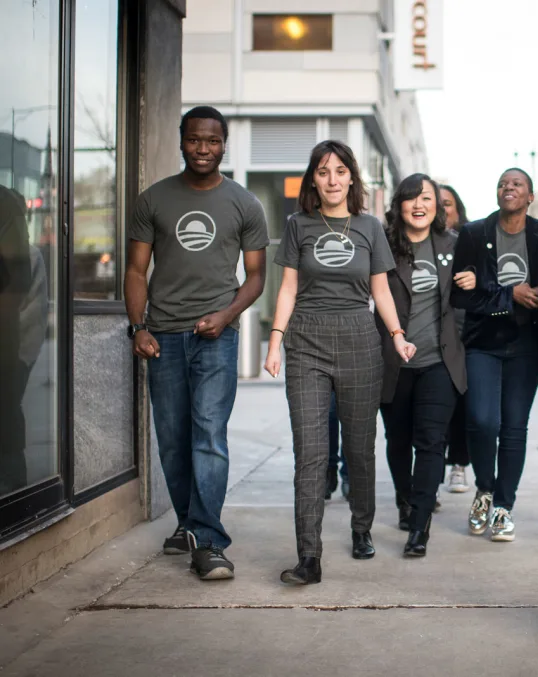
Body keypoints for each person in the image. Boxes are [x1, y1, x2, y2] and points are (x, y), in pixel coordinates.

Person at [126, 106, 269, 580]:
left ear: (224, 143)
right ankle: (188, 521)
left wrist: (227, 316)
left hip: (216, 337)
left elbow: (255, 277)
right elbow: (134, 270)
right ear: (181, 141)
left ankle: (208, 541)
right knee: (172, 440)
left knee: (208, 435)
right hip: (163, 336)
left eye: (211, 141)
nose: (202, 149)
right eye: (194, 140)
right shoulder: (153, 200)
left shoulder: (245, 204)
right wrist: (138, 327)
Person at [264, 140, 414, 584]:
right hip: (306, 340)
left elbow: (381, 291)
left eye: (340, 171)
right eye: (324, 171)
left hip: (359, 340)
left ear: (352, 177)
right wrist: (275, 342)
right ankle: (309, 556)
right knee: (310, 453)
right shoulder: (297, 225)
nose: (332, 179)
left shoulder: (369, 227)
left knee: (359, 447)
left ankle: (361, 526)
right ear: (314, 178)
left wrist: (398, 336)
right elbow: (288, 288)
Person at [450, 168, 538, 543]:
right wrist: (509, 293)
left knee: (513, 428)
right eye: (503, 183)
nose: (508, 187)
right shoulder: (475, 234)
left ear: (530, 196)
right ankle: (484, 490)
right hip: (483, 343)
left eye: (517, 184)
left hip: (526, 345)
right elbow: (461, 295)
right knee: (481, 420)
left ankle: (504, 507)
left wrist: (491, 289)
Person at [378, 173, 469, 557]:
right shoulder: (383, 246)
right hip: (393, 361)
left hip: (439, 362)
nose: (419, 205)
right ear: (399, 205)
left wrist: (475, 279)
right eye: (411, 198)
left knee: (431, 443)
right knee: (397, 440)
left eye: (427, 198)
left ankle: (419, 526)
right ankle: (405, 498)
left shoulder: (455, 245)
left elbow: (476, 292)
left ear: (438, 206)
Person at [0, 185, 32, 497]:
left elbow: (18, 278)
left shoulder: (4, 202)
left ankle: (13, 483)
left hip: (3, 330)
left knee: (5, 404)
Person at [439, 184, 471, 493]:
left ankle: (459, 464)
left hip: (463, 334)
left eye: (446, 204)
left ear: (457, 210)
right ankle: (433, 470)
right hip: (429, 336)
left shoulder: (467, 243)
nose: (441, 209)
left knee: (461, 403)